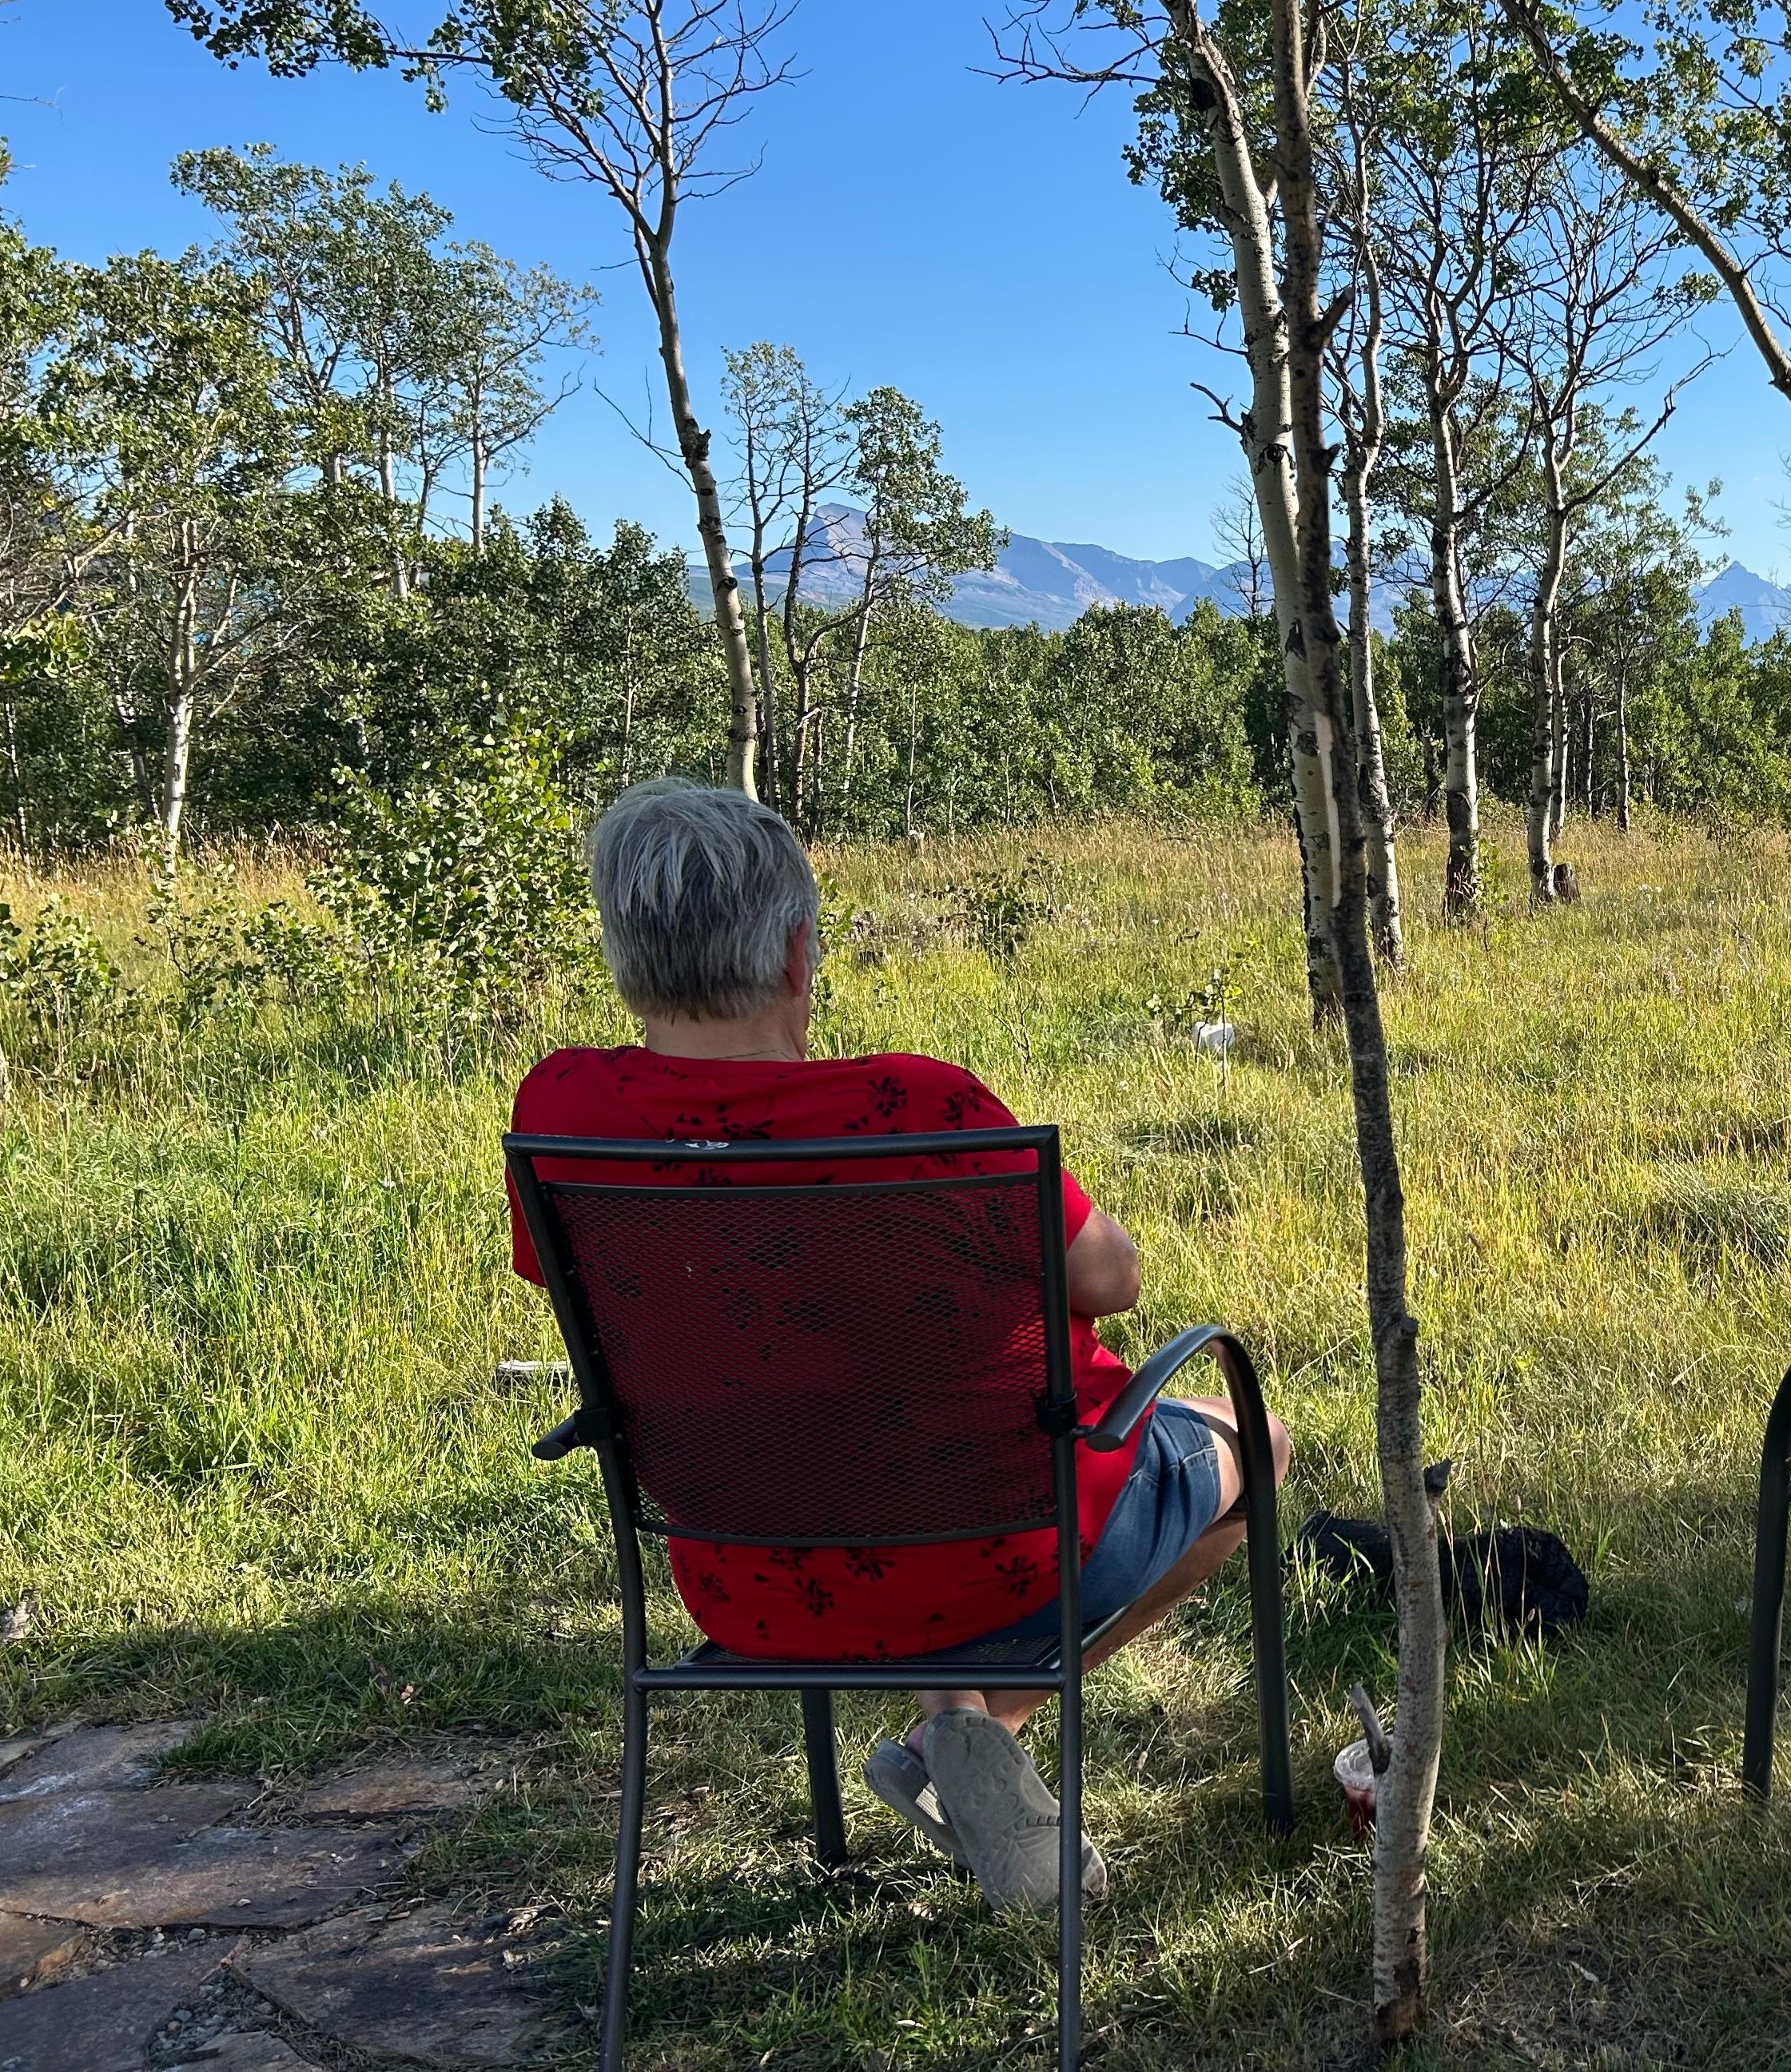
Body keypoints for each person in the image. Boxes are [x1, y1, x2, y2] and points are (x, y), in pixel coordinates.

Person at [505, 777, 1288, 1913]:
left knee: (858, 1453)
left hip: (744, 1576)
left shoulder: (565, 1110)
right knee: (1254, 1439)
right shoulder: (921, 1111)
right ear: (795, 957)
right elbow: (1112, 1281)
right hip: (996, 1556)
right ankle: (974, 1723)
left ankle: (959, 1734)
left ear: (629, 961)